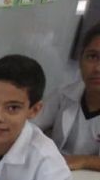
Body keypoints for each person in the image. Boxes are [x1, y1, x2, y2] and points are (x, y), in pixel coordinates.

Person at [36, 22, 100, 171]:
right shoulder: (63, 95)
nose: (98, 68)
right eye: (92, 57)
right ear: (81, 59)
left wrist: (85, 161)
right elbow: (28, 126)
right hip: (57, 172)